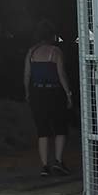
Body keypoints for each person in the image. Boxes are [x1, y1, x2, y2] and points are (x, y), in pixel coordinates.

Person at [23, 20, 73, 176]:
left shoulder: (31, 52)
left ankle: (44, 166)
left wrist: (27, 92)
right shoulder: (56, 52)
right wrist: (68, 93)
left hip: (37, 93)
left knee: (42, 130)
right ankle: (58, 161)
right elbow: (61, 74)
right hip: (55, 93)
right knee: (60, 127)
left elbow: (26, 75)